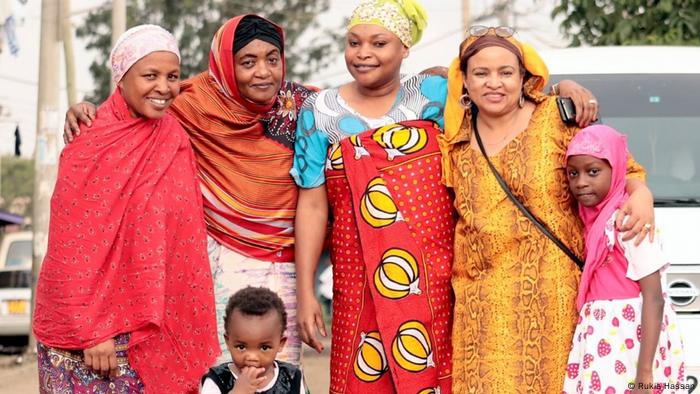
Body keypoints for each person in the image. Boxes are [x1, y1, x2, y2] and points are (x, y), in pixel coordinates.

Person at [292, 2, 598, 393]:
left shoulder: (434, 95)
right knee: (361, 376)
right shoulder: (319, 111)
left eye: (379, 43)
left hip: (434, 274)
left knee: (435, 374)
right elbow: (314, 204)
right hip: (359, 274)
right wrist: (305, 292)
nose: (364, 53)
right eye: (354, 43)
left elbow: (501, 100)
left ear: (405, 48)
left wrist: (561, 88)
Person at [63, 15, 314, 366]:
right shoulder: (191, 103)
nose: (263, 72)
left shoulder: (308, 108)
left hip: (288, 267)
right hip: (215, 268)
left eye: (273, 59)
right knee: (222, 375)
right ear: (225, 64)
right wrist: (87, 110)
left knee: (279, 377)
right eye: (247, 62)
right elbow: (133, 101)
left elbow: (361, 110)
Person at [440, 28, 655, 393]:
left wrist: (642, 196)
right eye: (481, 73)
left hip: (557, 300)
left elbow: (621, 170)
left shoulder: (558, 118)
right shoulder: (455, 142)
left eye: (506, 72)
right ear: (464, 81)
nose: (495, 83)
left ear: (524, 77)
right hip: (481, 310)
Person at [32, 25, 219, 393]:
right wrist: (93, 330)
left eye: (172, 77)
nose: (164, 88)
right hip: (92, 343)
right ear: (120, 78)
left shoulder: (174, 136)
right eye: (150, 75)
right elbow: (72, 248)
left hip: (155, 327)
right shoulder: (91, 139)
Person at [562, 125, 686, 393]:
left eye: (593, 171)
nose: (581, 181)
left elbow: (654, 297)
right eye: (573, 173)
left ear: (616, 170)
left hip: (632, 340)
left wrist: (644, 373)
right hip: (601, 340)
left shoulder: (629, 221)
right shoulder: (590, 219)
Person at [201, 287, 307, 394]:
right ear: (228, 342)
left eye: (264, 348)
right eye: (241, 347)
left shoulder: (292, 378)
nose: (252, 357)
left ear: (280, 344)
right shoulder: (218, 380)